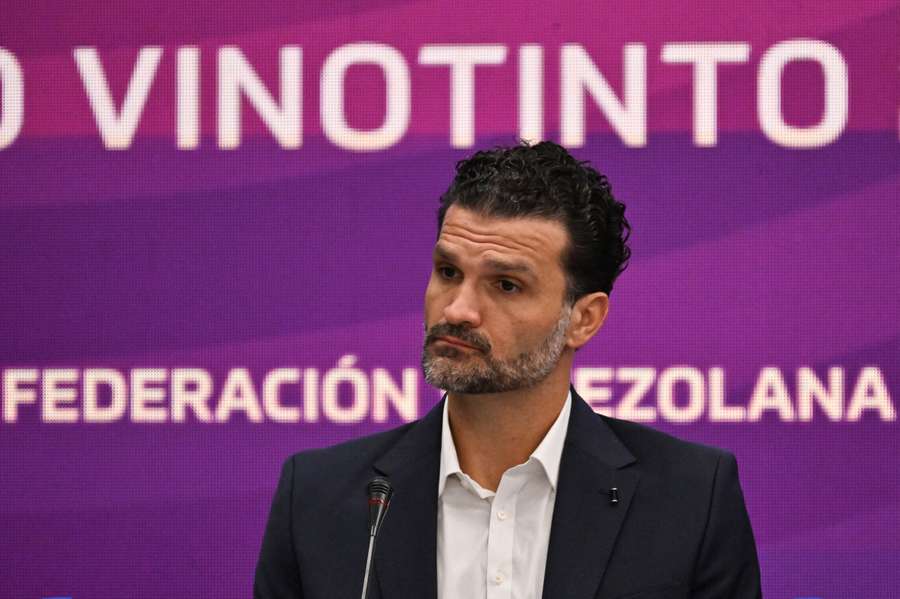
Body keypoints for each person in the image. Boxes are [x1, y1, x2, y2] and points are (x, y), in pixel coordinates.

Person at [254, 141, 762, 599]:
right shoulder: (320, 500)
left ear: (582, 320)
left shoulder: (690, 499)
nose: (457, 310)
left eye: (506, 285)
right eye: (448, 272)